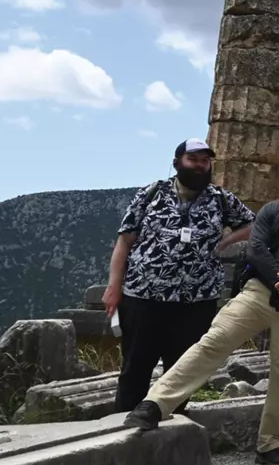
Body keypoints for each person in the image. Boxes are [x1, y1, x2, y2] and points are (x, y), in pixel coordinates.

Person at [123, 154, 279, 465]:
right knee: (214, 342)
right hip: (260, 292)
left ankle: (270, 445)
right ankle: (154, 404)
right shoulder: (271, 210)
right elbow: (257, 248)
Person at [106, 138, 255, 414]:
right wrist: (114, 286)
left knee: (183, 369)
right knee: (135, 368)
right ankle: (122, 436)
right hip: (143, 296)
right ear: (177, 163)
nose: (200, 166)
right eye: (193, 159)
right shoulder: (151, 193)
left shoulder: (221, 198)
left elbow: (252, 224)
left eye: (205, 161)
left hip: (196, 300)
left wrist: (225, 242)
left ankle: (173, 433)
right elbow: (124, 241)